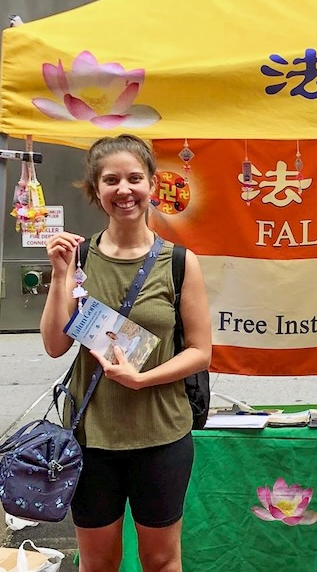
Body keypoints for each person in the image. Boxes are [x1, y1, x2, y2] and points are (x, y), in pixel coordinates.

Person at [40, 134, 212, 572]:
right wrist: (60, 276)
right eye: (111, 179)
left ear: (153, 184)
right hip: (91, 438)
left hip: (162, 438)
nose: (124, 190)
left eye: (135, 178)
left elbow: (200, 352)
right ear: (96, 189)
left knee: (160, 559)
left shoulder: (179, 261)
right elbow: (56, 345)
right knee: (98, 562)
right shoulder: (78, 258)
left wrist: (143, 379)